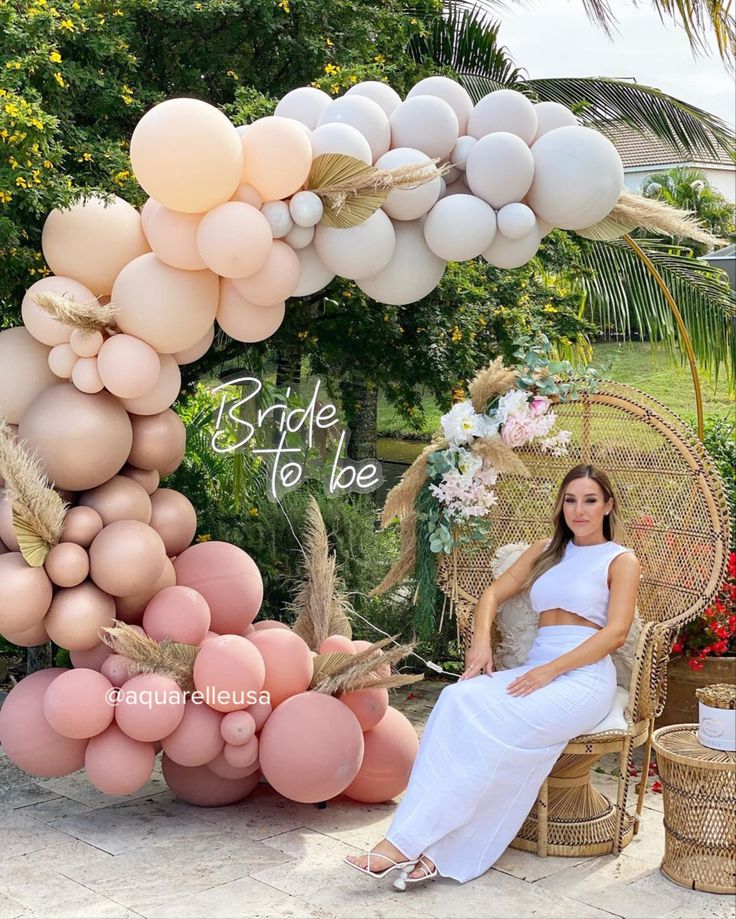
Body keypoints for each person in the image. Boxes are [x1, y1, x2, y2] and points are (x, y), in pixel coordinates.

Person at [344, 463, 641, 888]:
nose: (579, 510)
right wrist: (481, 641)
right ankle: (435, 850)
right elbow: (493, 593)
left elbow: (615, 633)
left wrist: (550, 671)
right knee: (454, 700)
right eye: (571, 500)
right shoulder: (544, 551)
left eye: (590, 500)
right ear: (560, 505)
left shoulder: (620, 559)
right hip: (535, 668)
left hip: (582, 678)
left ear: (607, 505)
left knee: (487, 728)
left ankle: (402, 845)